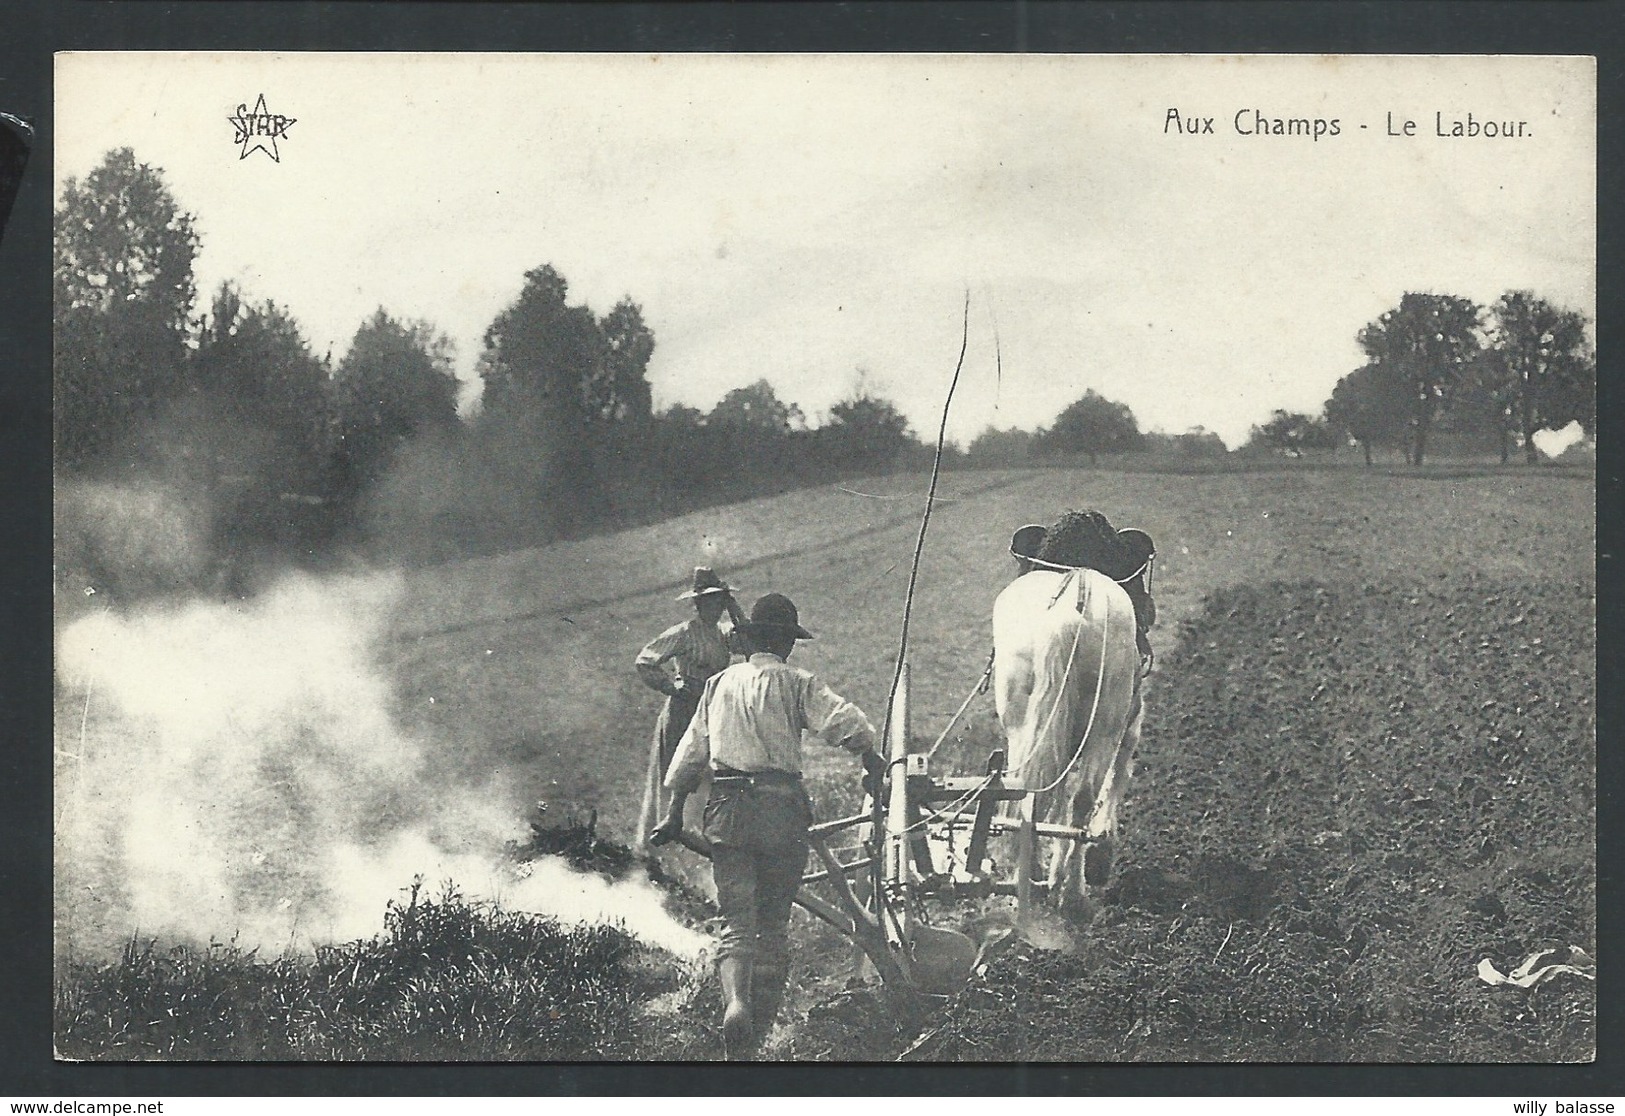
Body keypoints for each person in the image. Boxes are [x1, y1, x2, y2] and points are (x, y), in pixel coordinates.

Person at [650, 592, 883, 1058]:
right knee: (773, 925)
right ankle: (756, 1035)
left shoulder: (718, 684)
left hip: (728, 808)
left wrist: (673, 815)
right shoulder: (797, 683)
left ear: (753, 638)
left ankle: (735, 1001)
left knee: (736, 921)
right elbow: (847, 723)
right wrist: (870, 754)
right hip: (780, 809)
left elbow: (691, 752)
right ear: (787, 644)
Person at [633, 567, 745, 852]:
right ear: (697, 604)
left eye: (719, 600)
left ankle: (701, 845)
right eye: (709, 601)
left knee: (712, 777)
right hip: (684, 711)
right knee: (677, 774)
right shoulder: (683, 633)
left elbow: (750, 642)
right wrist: (671, 687)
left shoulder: (725, 633)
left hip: (714, 710)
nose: (714, 606)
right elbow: (645, 661)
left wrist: (733, 606)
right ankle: (666, 847)